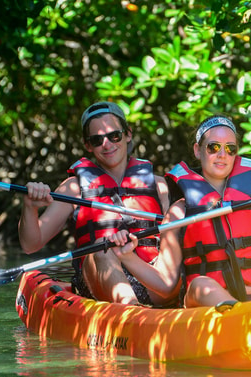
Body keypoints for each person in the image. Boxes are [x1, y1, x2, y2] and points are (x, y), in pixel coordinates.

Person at [108, 114, 251, 308]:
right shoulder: (180, 211)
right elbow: (166, 284)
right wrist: (127, 257)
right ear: (198, 150)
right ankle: (239, 324)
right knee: (200, 284)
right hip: (212, 309)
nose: (222, 154)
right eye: (214, 147)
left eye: (230, 149)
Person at [18, 101, 175, 307]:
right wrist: (30, 206)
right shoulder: (73, 188)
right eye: (97, 139)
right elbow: (31, 244)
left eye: (114, 135)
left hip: (152, 279)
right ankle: (131, 308)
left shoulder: (158, 186)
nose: (107, 144)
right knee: (103, 248)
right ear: (88, 145)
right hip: (101, 280)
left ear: (128, 134)